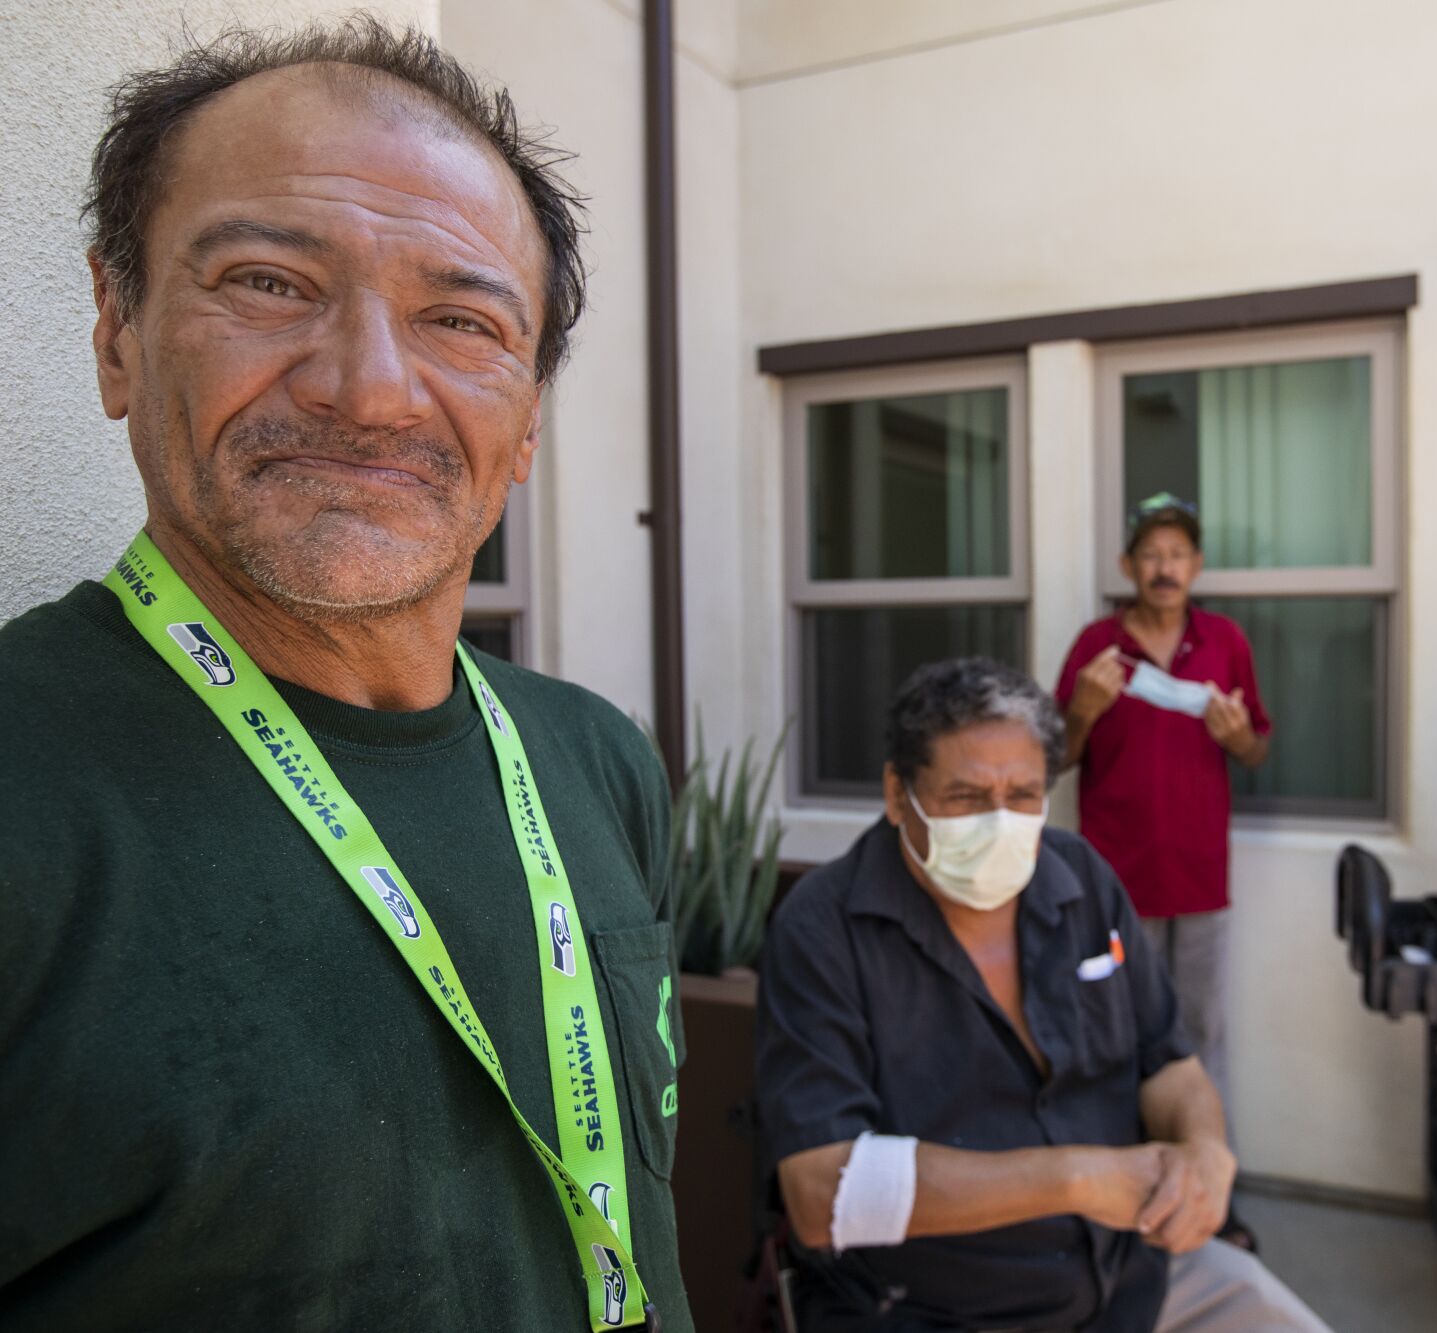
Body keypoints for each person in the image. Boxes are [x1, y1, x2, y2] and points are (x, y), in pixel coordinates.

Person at [0, 20, 690, 1331]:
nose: (372, 391)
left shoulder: (603, 762)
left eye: (460, 318)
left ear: (528, 416)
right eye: (267, 281)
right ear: (117, 331)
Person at [755, 658, 1327, 1332]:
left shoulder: (1081, 877)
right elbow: (822, 1193)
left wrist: (1205, 1151)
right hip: (937, 1307)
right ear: (895, 791)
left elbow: (1168, 1062)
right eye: (966, 796)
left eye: (1023, 794)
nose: (999, 822)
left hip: (1131, 1275)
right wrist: (1077, 1179)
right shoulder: (823, 930)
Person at [1054, 493, 1271, 1243]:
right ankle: (1127, 1194)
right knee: (1115, 1035)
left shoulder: (1225, 642)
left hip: (1200, 879)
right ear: (1128, 566)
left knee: (1202, 1034)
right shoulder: (1096, 647)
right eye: (1151, 553)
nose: (1164, 566)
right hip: (1113, 885)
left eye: (1178, 553)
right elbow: (1056, 758)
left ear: (1197, 564)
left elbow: (1258, 751)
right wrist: (1082, 708)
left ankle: (1216, 1196)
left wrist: (1239, 736)